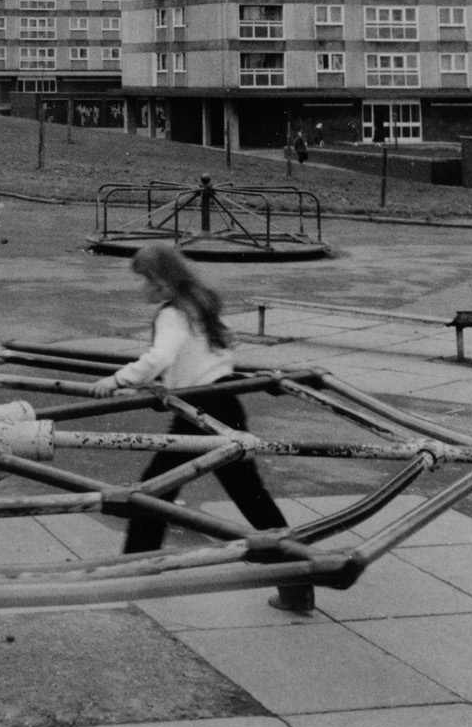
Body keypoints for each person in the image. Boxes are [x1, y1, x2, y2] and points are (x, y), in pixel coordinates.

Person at [89, 242, 314, 614]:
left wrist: (116, 380)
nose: (140, 288)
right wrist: (170, 381)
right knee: (248, 497)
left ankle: (131, 578)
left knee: (153, 492)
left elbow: (160, 355)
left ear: (161, 281)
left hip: (199, 412)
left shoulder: (171, 313)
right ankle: (298, 580)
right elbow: (209, 355)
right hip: (223, 403)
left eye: (144, 280)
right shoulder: (198, 303)